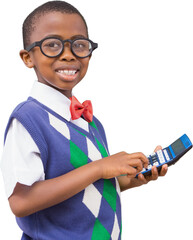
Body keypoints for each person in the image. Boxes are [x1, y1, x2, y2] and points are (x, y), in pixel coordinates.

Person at [0, 1, 168, 239]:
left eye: (79, 45)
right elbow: (21, 201)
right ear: (28, 57)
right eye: (52, 45)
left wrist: (130, 177)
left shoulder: (90, 121)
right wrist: (99, 167)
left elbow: (89, 185)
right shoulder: (28, 119)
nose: (68, 55)